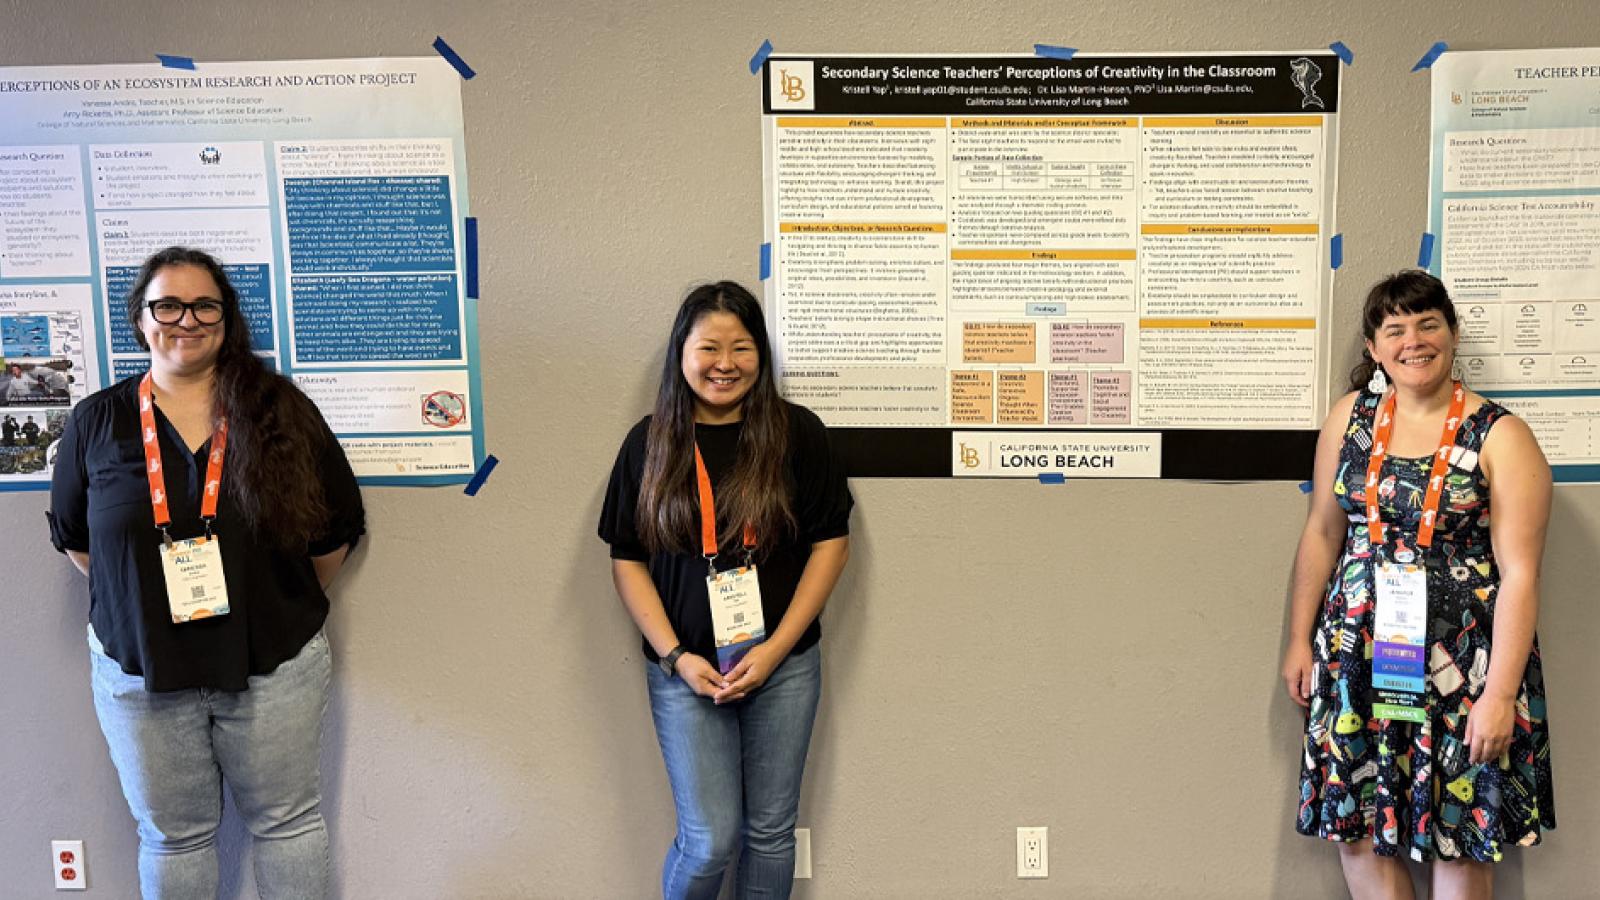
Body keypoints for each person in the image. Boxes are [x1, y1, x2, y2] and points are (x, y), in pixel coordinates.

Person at [48, 246, 365, 899]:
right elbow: (80, 544)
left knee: (287, 825)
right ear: (141, 318)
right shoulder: (96, 423)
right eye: (168, 304)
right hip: (143, 672)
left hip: (270, 663)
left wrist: (266, 602)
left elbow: (334, 533)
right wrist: (143, 604)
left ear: (227, 318)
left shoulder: (282, 409)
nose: (185, 319)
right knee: (173, 837)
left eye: (204, 305)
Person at [1281, 270, 1555, 899]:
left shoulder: (1500, 434)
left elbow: (1521, 573)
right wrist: (1300, 641)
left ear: (1453, 335)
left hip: (1463, 670)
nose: (1414, 340)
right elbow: (1323, 533)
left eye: (1428, 323)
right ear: (1374, 348)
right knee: (1358, 829)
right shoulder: (1350, 419)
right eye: (1394, 329)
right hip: (1357, 656)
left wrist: (1499, 694)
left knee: (1457, 840)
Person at [599, 281, 852, 900]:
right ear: (681, 354)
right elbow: (626, 557)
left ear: (760, 355)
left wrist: (774, 651)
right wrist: (675, 658)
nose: (725, 364)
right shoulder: (650, 442)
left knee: (770, 834)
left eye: (741, 347)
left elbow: (831, 543)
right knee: (710, 836)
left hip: (783, 666)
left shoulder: (798, 434)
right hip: (685, 669)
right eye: (709, 347)